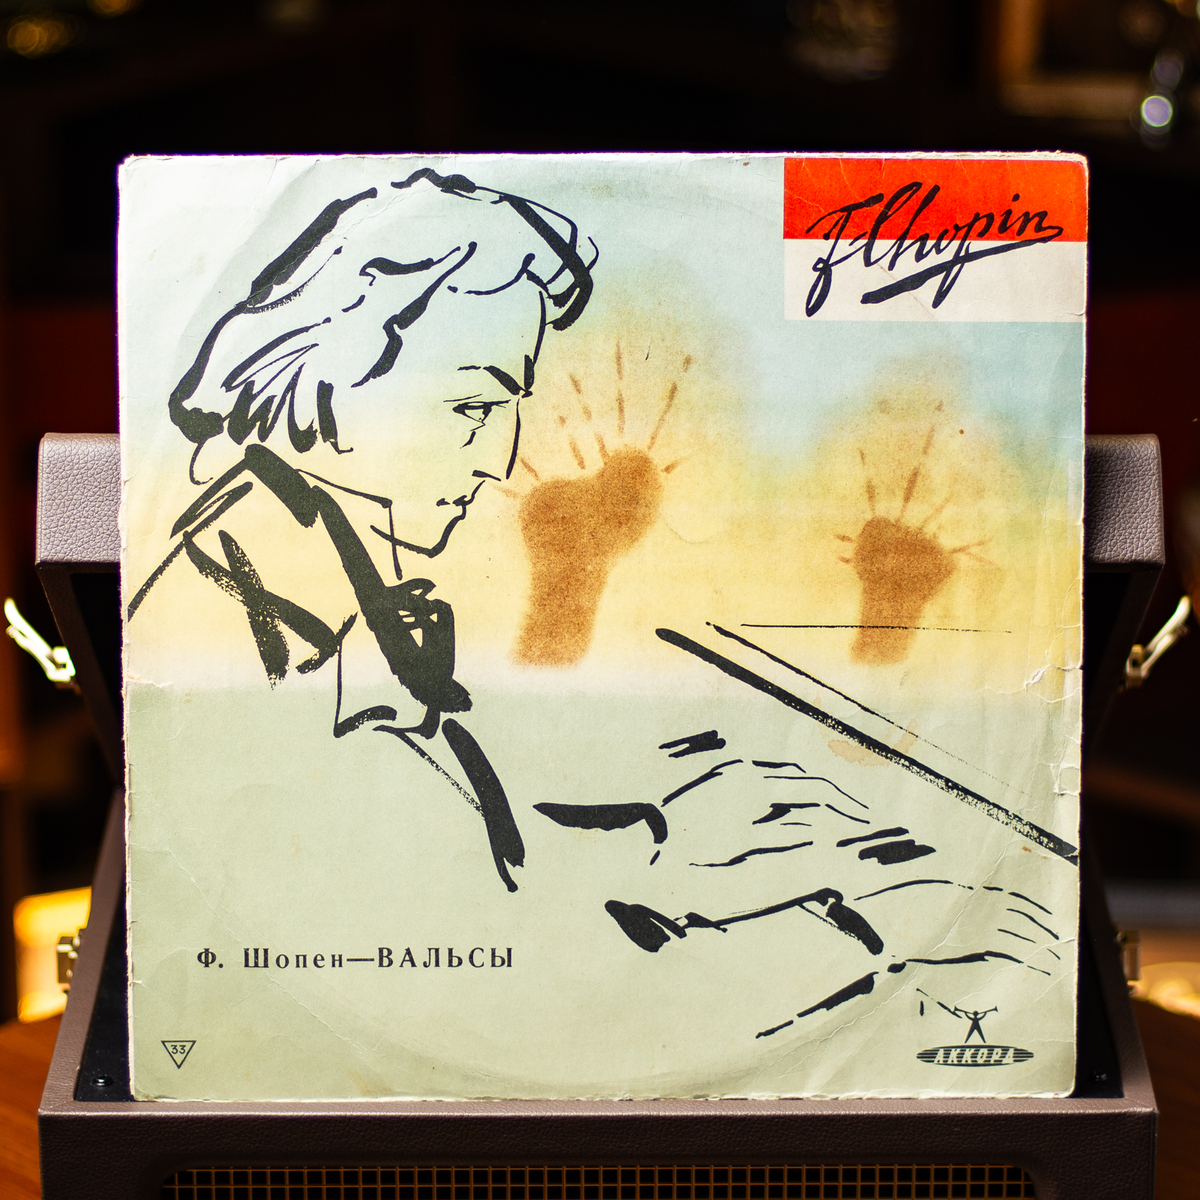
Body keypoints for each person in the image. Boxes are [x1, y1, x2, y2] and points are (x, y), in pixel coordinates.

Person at [129, 167, 598, 893]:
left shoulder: (332, 558)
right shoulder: (238, 587)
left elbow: (461, 814)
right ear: (340, 380)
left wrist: (657, 826)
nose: (501, 461)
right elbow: (359, 867)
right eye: (474, 407)